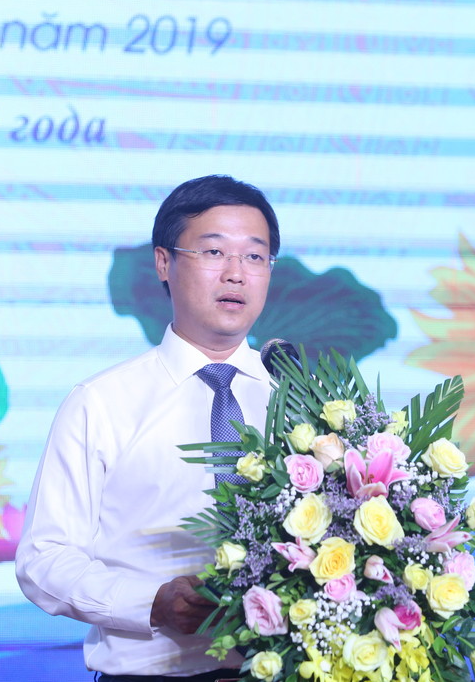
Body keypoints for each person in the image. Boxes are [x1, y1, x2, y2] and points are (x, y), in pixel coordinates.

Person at [16, 175, 280, 681]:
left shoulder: (300, 403)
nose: (236, 273)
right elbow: (44, 559)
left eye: (254, 256)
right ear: (164, 262)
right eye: (213, 252)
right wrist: (150, 604)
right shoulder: (100, 403)